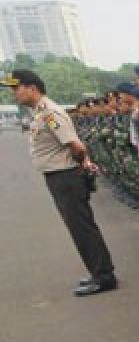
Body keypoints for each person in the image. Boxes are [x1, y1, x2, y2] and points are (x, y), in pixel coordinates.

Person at [3, 69, 115, 296]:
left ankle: (103, 276)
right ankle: (99, 271)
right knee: (79, 227)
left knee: (81, 227)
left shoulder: (50, 113)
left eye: (17, 88)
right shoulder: (39, 112)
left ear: (32, 88)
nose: (14, 93)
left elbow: (77, 146)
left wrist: (81, 164)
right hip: (59, 176)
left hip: (66, 176)